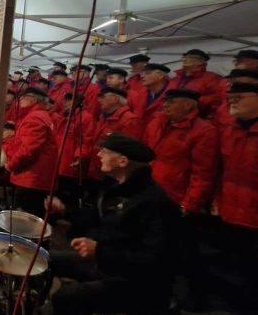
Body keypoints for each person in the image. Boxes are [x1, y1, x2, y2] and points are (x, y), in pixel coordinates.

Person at [45, 133, 181, 315]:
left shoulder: (156, 203)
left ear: (122, 161)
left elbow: (154, 259)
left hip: (135, 281)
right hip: (108, 262)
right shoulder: (116, 187)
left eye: (105, 151)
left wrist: (99, 250)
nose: (99, 154)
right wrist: (64, 211)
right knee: (43, 258)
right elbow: (96, 218)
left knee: (66, 296)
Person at [215, 82, 258, 314]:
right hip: (233, 214)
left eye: (239, 96)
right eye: (231, 97)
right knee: (238, 274)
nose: (232, 101)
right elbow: (223, 170)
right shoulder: (232, 129)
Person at [142, 89, 218, 214]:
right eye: (165, 101)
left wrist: (190, 204)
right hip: (147, 190)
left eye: (171, 102)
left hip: (174, 197)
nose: (165, 105)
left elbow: (203, 173)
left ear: (187, 105)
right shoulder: (155, 123)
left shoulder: (204, 131)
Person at [2, 87, 58, 217]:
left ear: (33, 99)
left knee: (24, 220)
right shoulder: (41, 115)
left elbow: (28, 149)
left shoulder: (34, 118)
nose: (20, 100)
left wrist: (11, 165)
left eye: (23, 97)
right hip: (36, 177)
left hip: (31, 178)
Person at [88, 87, 142, 184]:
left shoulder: (129, 120)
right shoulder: (103, 117)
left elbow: (128, 152)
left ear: (114, 98)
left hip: (113, 174)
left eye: (103, 97)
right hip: (97, 169)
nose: (99, 100)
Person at [54, 93, 95, 205]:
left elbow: (87, 141)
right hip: (57, 162)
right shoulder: (63, 116)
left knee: (68, 197)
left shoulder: (86, 118)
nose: (65, 103)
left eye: (69, 100)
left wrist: (80, 156)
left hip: (71, 164)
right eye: (65, 100)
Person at [169, 49, 223, 118]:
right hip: (173, 115)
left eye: (191, 58)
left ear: (201, 62)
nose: (185, 60)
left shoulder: (211, 77)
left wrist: (192, 102)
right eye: (184, 58)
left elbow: (218, 98)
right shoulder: (176, 78)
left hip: (198, 116)